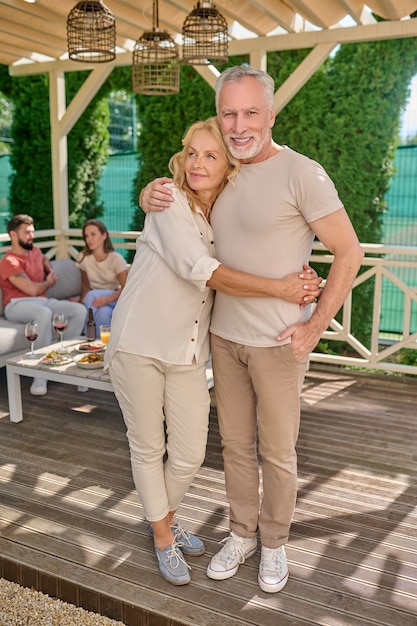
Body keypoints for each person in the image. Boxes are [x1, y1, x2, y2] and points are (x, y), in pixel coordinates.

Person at [139, 65, 364, 593]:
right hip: (222, 337)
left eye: (250, 112)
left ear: (271, 113)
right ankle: (241, 533)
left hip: (280, 343)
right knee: (235, 448)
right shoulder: (226, 174)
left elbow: (349, 252)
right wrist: (153, 192)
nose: (238, 125)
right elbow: (186, 205)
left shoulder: (302, 174)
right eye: (228, 113)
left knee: (277, 452)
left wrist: (313, 328)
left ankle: (275, 542)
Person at [104, 117, 322, 587]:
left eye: (211, 155)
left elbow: (258, 247)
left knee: (188, 453)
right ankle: (163, 536)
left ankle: (164, 516)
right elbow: (200, 269)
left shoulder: (223, 212)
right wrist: (282, 289)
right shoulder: (167, 203)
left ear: (229, 166)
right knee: (148, 447)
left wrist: (300, 279)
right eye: (192, 153)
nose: (197, 163)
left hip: (187, 352)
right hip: (139, 344)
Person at [0, 214, 87, 396]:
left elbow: (43, 260)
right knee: (44, 314)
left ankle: (64, 361)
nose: (32, 236)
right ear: (13, 235)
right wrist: (48, 282)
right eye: (27, 232)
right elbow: (31, 290)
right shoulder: (9, 262)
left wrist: (49, 269)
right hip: (17, 305)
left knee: (78, 310)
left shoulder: (35, 252)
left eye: (32, 232)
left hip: (42, 300)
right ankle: (40, 375)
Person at [76, 219, 128, 337]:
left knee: (91, 295)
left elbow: (126, 287)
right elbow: (85, 284)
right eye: (86, 236)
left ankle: (86, 333)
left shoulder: (116, 259)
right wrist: (80, 301)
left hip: (115, 298)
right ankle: (101, 349)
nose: (89, 239)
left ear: (104, 235)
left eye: (93, 234)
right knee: (103, 313)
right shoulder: (83, 258)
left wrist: (107, 299)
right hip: (96, 302)